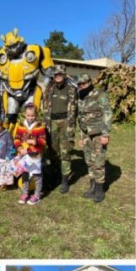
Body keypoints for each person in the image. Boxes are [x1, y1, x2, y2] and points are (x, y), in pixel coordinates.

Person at [76, 73, 112, 203]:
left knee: (98, 162)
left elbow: (107, 113)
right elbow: (80, 118)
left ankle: (99, 189)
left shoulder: (99, 95)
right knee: (89, 161)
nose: (82, 86)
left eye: (84, 84)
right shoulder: (80, 97)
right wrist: (81, 136)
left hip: (98, 133)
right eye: (80, 84)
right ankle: (92, 186)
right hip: (86, 134)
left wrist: (105, 134)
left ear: (89, 83)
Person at [42, 64, 78, 193]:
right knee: (52, 150)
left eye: (60, 74)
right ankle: (54, 176)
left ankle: (65, 180)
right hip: (51, 123)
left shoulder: (71, 89)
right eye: (56, 74)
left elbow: (75, 109)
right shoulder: (49, 89)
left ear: (64, 75)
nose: (58, 76)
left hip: (65, 123)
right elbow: (44, 105)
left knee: (65, 151)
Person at [12, 104, 47, 205]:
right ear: (25, 115)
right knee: (25, 174)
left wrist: (36, 142)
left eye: (33, 116)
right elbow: (16, 138)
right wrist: (19, 148)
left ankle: (37, 194)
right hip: (24, 155)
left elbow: (44, 141)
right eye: (28, 115)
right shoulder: (21, 125)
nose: (30, 117)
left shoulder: (40, 126)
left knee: (37, 175)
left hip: (35, 156)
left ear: (36, 115)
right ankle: (25, 193)